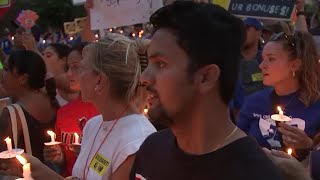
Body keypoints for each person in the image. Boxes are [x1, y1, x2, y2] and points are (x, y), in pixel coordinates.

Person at [130, 2, 283, 180]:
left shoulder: (255, 173)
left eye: (161, 64)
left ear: (206, 77)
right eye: (149, 63)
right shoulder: (152, 149)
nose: (144, 77)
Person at [0, 33, 156, 180]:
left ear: (99, 80)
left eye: (82, 68)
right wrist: (33, 168)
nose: (73, 76)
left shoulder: (138, 142)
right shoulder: (93, 125)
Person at [237, 31, 320, 161]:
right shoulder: (254, 102)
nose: (262, 66)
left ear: (295, 65)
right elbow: (237, 144)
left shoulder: (315, 104)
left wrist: (308, 145)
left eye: (271, 59)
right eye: (263, 59)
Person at [43, 42, 99, 177]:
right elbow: (63, 160)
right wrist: (57, 156)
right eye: (68, 68)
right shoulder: (64, 112)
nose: (68, 74)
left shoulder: (109, 112)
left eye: (76, 67)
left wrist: (89, 157)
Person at [0, 50, 58, 162]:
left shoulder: (11, 114)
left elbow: (3, 162)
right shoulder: (52, 99)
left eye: (7, 69)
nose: (2, 73)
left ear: (23, 79)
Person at [230, 17, 266, 119]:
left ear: (259, 33)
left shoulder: (266, 59)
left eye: (247, 28)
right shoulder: (229, 60)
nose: (242, 32)